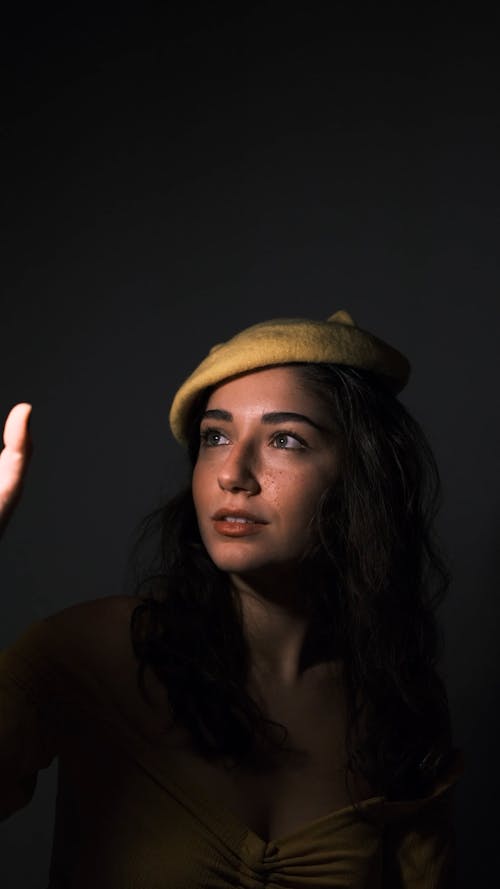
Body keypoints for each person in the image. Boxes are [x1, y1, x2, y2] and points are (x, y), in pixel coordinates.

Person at [0, 310, 463, 888]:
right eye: (215, 437)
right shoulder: (93, 653)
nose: (233, 474)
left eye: (285, 440)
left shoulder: (398, 703)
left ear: (360, 476)